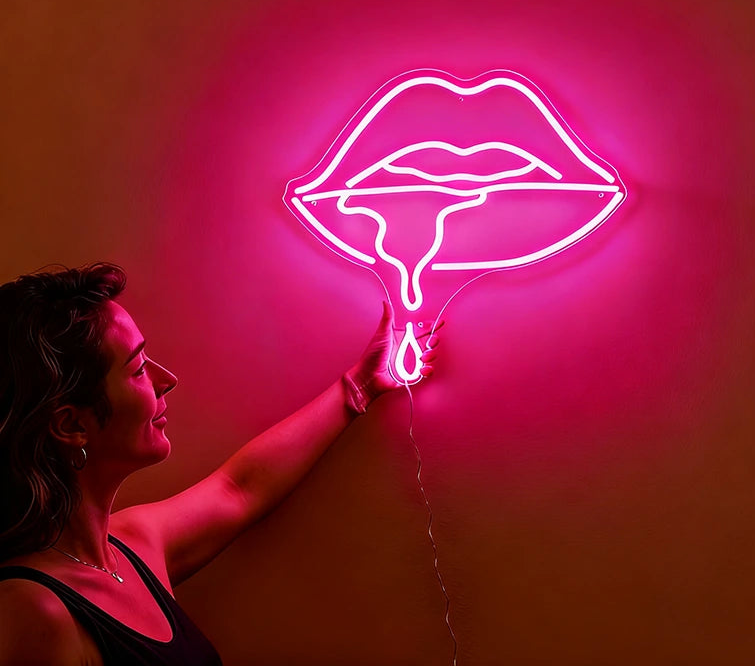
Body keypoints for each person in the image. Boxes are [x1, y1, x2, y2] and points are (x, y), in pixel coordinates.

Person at [0, 263, 440, 665]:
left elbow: (241, 488)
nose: (165, 380)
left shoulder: (131, 547)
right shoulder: (34, 612)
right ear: (71, 424)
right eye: (137, 369)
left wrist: (358, 386)